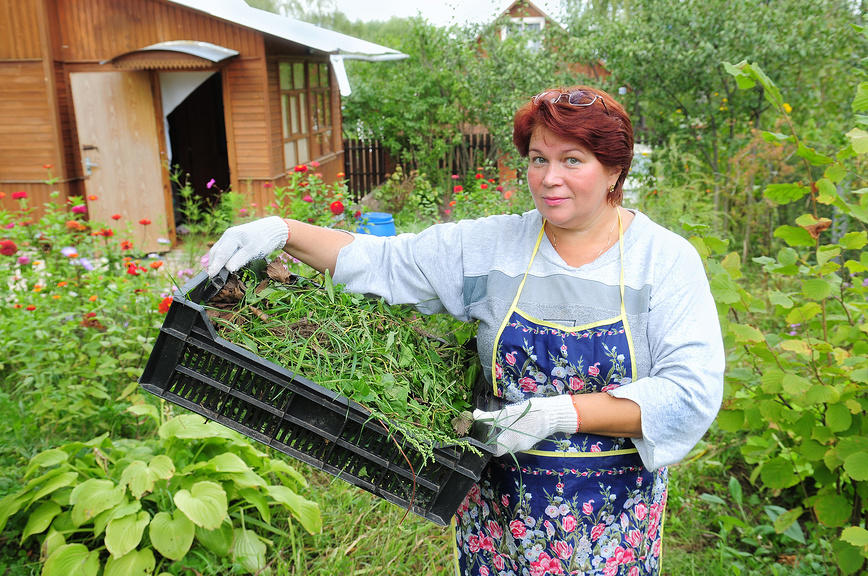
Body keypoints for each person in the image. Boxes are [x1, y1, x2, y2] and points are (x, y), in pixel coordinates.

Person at [207, 85, 725, 576]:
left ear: (614, 170)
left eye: (573, 160)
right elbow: (386, 261)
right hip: (498, 512)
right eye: (539, 159)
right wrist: (284, 230)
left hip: (612, 522)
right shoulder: (494, 247)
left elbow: (689, 393)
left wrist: (559, 413)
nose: (549, 178)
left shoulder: (663, 260)